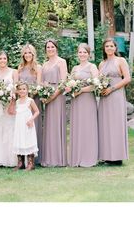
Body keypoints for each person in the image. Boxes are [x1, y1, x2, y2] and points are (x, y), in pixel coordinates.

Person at [98, 37, 131, 165]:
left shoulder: (120, 60)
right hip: (104, 97)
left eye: (111, 46)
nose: (109, 48)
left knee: (116, 125)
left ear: (115, 48)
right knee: (105, 125)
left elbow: (127, 78)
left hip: (116, 95)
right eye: (107, 46)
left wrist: (112, 88)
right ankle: (107, 156)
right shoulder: (101, 63)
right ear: (104, 49)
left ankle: (117, 157)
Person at [69, 43, 99, 167]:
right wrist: (71, 89)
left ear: (88, 54)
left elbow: (96, 84)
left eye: (84, 52)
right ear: (77, 53)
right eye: (80, 52)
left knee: (88, 127)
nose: (82, 54)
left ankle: (89, 157)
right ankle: (77, 157)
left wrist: (81, 90)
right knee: (77, 126)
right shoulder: (74, 68)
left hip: (87, 99)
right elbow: (69, 83)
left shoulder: (92, 67)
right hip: (76, 100)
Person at [41, 39, 68, 167]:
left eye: (52, 47)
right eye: (48, 47)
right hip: (47, 97)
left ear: (56, 48)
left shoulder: (61, 62)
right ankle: (49, 158)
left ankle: (58, 158)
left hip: (57, 96)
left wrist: (53, 96)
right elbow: (42, 82)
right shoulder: (45, 64)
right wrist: (44, 95)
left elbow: (63, 82)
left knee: (57, 124)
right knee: (49, 126)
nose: (50, 49)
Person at [17, 44, 43, 164]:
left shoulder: (38, 67)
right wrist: (21, 97)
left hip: (32, 100)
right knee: (21, 128)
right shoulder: (20, 67)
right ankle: (22, 159)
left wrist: (29, 98)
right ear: (23, 54)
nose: (28, 55)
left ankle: (33, 159)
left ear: (33, 54)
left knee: (32, 127)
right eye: (25, 53)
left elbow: (38, 85)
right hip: (21, 102)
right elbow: (17, 84)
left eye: (30, 53)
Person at [13, 81, 39, 171]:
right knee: (19, 140)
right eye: (20, 89)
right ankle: (20, 163)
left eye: (24, 89)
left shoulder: (30, 101)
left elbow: (37, 111)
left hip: (28, 124)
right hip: (19, 125)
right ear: (17, 91)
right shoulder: (17, 102)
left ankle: (31, 164)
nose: (22, 91)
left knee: (28, 140)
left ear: (27, 90)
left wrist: (31, 119)